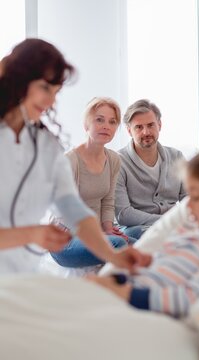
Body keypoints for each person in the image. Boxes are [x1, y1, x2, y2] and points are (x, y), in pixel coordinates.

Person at [0, 38, 151, 274]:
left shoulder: (46, 145)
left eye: (56, 92)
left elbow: (72, 207)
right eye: (45, 88)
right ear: (17, 79)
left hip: (21, 273)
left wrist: (114, 255)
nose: (51, 101)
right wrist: (31, 234)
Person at [90, 142, 199, 317]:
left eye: (197, 197)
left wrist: (125, 293)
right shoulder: (191, 227)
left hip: (143, 302)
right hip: (135, 284)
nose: (187, 206)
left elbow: (189, 297)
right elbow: (169, 268)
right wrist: (149, 261)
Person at [51, 97, 136, 268]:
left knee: (141, 237)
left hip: (95, 233)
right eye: (99, 120)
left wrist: (108, 227)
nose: (106, 126)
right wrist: (101, 235)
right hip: (65, 239)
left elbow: (108, 201)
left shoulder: (113, 159)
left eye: (112, 122)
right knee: (118, 245)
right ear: (86, 125)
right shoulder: (70, 161)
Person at [115, 99, 187, 240]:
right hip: (137, 228)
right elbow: (123, 214)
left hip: (176, 225)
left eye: (150, 125)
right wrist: (167, 222)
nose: (146, 132)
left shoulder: (176, 156)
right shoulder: (118, 162)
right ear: (129, 131)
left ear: (159, 125)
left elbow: (189, 197)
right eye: (138, 127)